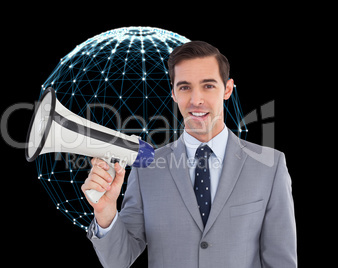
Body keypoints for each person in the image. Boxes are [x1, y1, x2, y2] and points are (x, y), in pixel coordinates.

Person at [81, 41, 297, 268]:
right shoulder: (147, 168)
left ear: (228, 89)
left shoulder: (270, 166)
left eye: (208, 86)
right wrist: (105, 213)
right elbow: (118, 261)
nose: (196, 100)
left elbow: (281, 262)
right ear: (173, 92)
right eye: (185, 87)